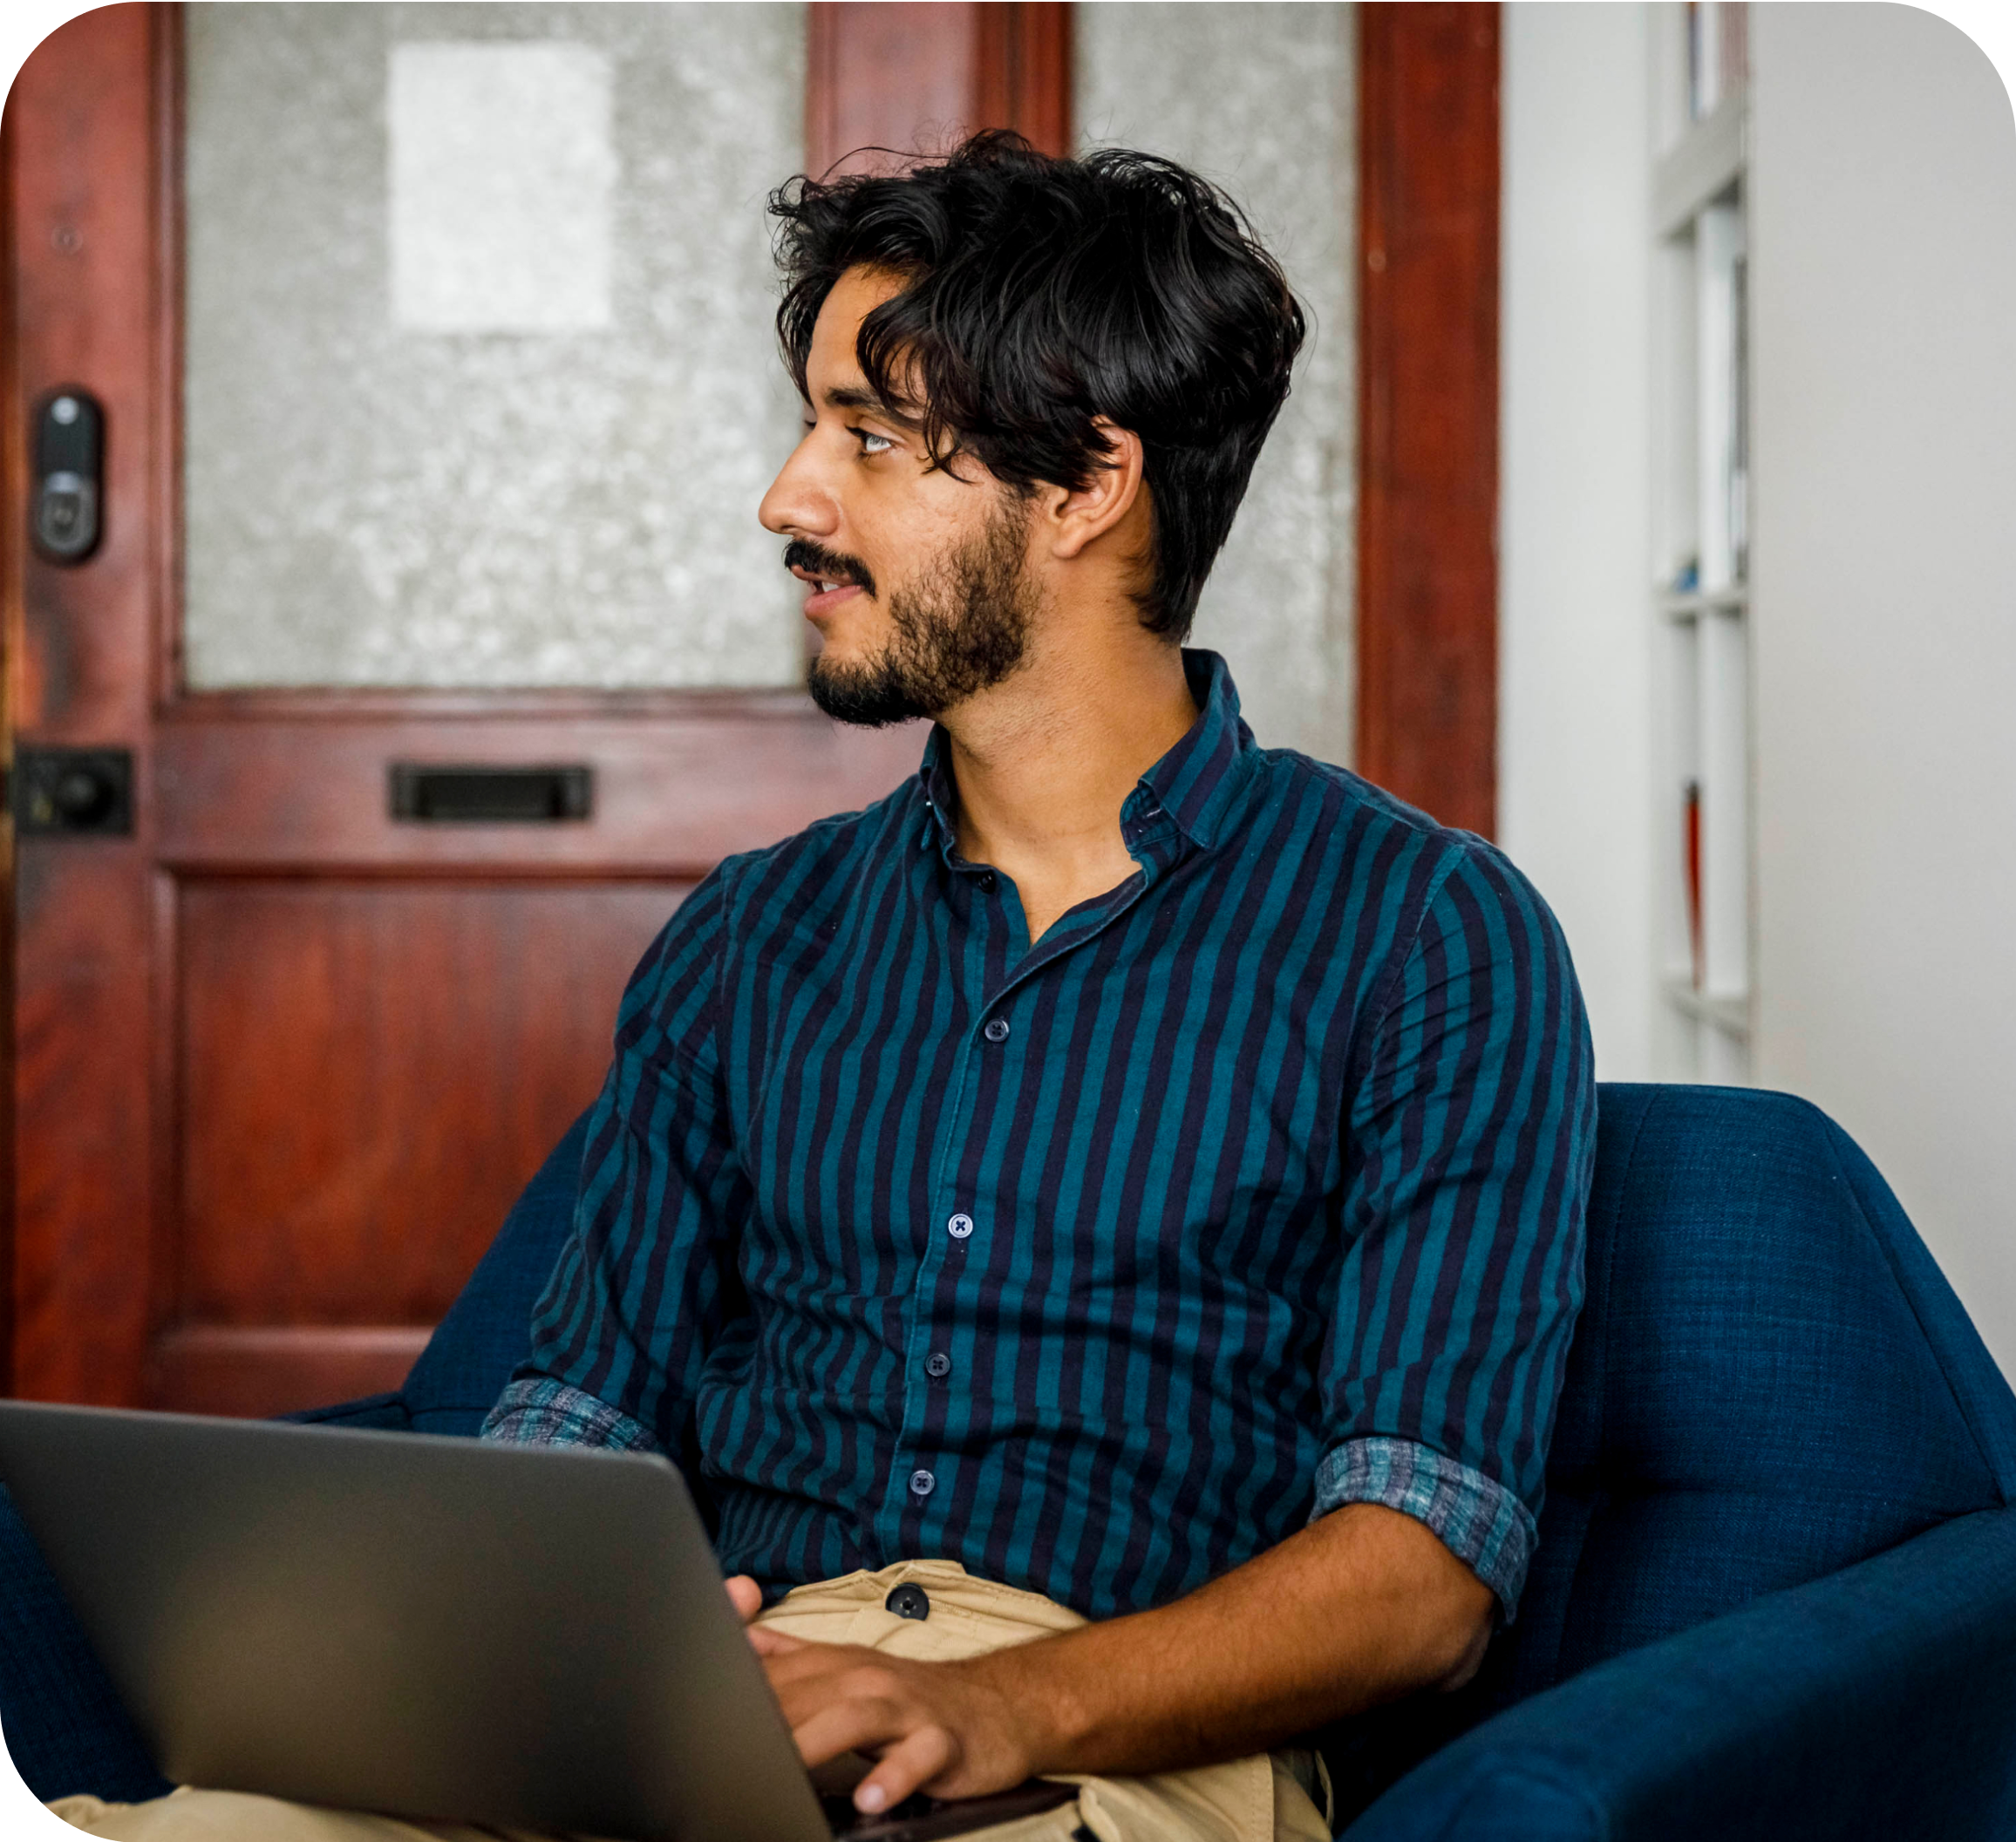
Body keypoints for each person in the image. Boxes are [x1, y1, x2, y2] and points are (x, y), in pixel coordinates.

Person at [51, 133, 1594, 1842]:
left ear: (1086, 482)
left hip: (1105, 1744)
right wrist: (538, 1642)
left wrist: (982, 1704)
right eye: (811, 427)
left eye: (866, 437)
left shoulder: (1423, 930)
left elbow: (1426, 1568)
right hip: (706, 1706)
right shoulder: (751, 937)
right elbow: (580, 1406)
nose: (789, 497)